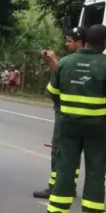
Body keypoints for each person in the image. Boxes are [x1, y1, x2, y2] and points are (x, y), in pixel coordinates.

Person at [42, 24, 106, 213]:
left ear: (86, 40)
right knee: (96, 171)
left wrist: (66, 110)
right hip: (97, 128)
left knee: (65, 168)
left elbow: (52, 92)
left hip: (68, 125)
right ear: (105, 42)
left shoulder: (65, 62)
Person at [33, 26, 87, 200]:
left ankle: (56, 187)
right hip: (87, 117)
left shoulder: (69, 62)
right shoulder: (98, 62)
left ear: (80, 42)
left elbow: (56, 87)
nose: (66, 44)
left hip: (66, 113)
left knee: (59, 150)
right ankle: (69, 185)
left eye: (70, 41)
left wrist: (55, 62)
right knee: (75, 153)